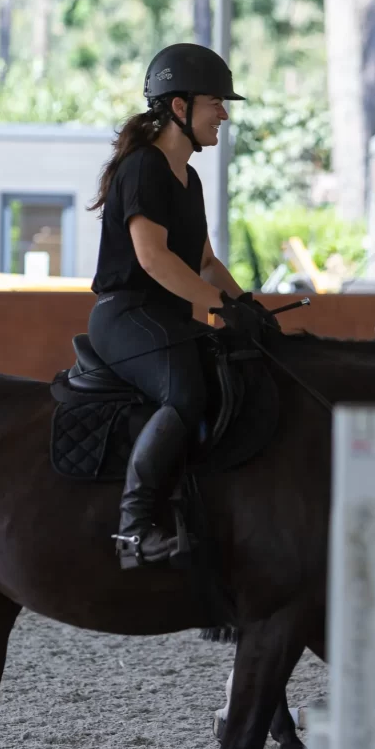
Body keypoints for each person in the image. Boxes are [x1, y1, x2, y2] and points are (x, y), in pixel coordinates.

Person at [87, 43, 277, 569]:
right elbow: (153, 259)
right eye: (216, 103)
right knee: (185, 392)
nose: (224, 115)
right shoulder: (143, 168)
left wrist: (246, 305)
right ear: (179, 107)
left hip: (166, 318)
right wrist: (221, 306)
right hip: (125, 315)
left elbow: (205, 262)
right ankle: (133, 530)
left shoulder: (189, 180)